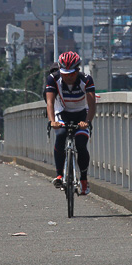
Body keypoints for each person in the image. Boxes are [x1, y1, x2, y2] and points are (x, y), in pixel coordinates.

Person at [44, 51, 96, 195]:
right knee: (60, 135)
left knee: (80, 143)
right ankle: (59, 175)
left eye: (71, 74)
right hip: (62, 112)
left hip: (81, 113)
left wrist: (87, 122)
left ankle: (84, 179)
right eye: (65, 73)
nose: (68, 77)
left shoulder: (86, 79)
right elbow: (50, 102)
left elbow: (92, 106)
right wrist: (52, 121)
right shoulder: (53, 79)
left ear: (78, 70)